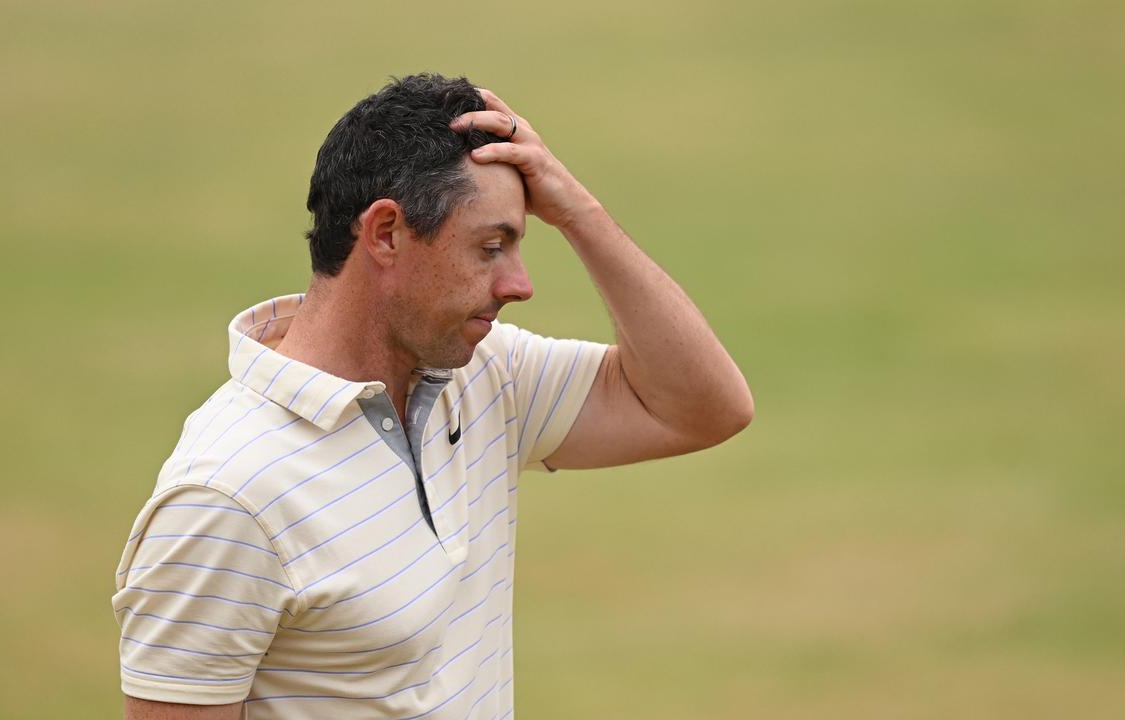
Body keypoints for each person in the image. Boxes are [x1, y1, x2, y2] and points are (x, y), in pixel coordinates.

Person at [112, 73, 753, 720]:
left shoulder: (485, 376)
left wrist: (580, 213)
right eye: (491, 246)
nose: (519, 284)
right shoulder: (228, 499)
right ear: (386, 232)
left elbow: (702, 408)